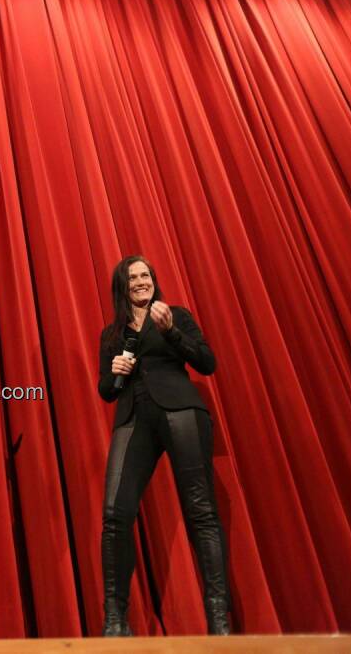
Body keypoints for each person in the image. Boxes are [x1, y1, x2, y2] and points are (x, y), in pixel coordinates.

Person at [97, 255, 230, 636]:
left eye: (146, 275)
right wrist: (114, 374)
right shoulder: (112, 334)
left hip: (181, 411)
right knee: (115, 515)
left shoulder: (175, 315)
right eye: (133, 277)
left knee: (201, 512)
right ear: (123, 286)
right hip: (134, 418)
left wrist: (171, 332)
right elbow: (106, 391)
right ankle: (116, 621)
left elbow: (207, 363)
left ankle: (218, 620)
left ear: (154, 280)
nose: (141, 281)